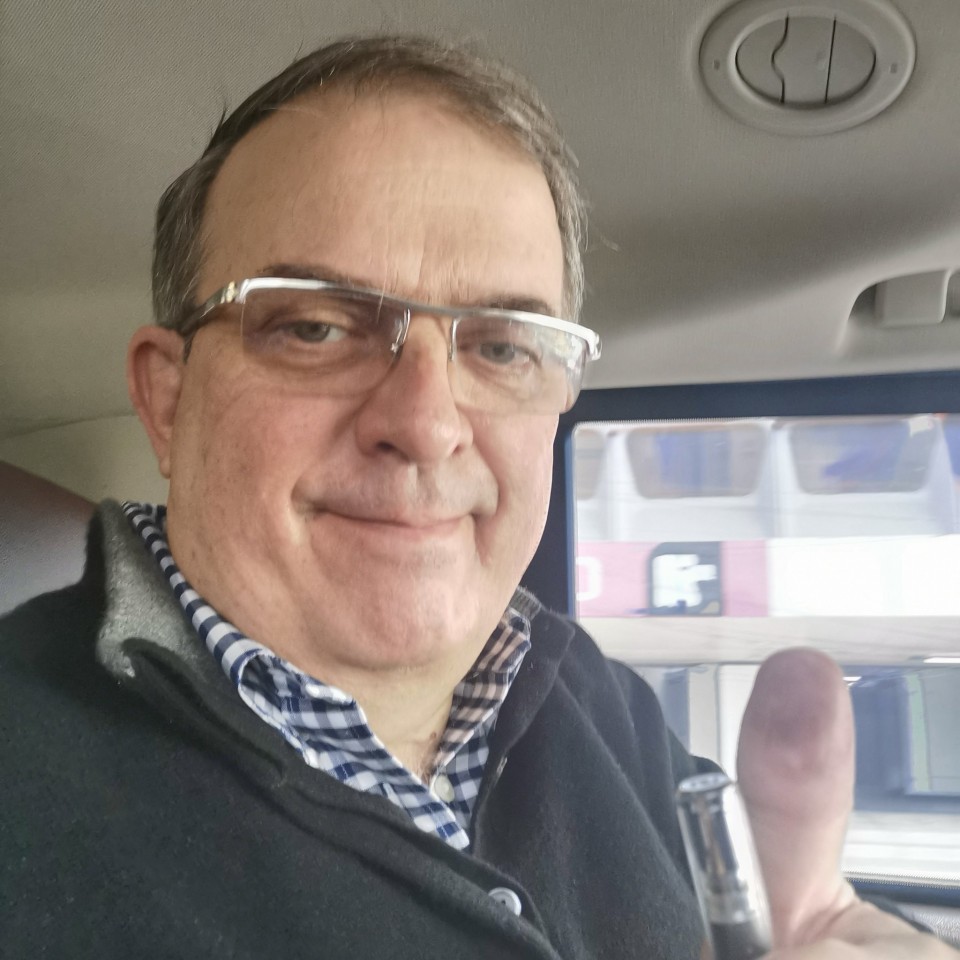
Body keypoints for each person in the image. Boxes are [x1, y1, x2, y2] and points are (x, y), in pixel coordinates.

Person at [0, 35, 954, 960]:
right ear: (169, 401)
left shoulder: (588, 693)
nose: (426, 423)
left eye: (501, 347)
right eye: (317, 328)